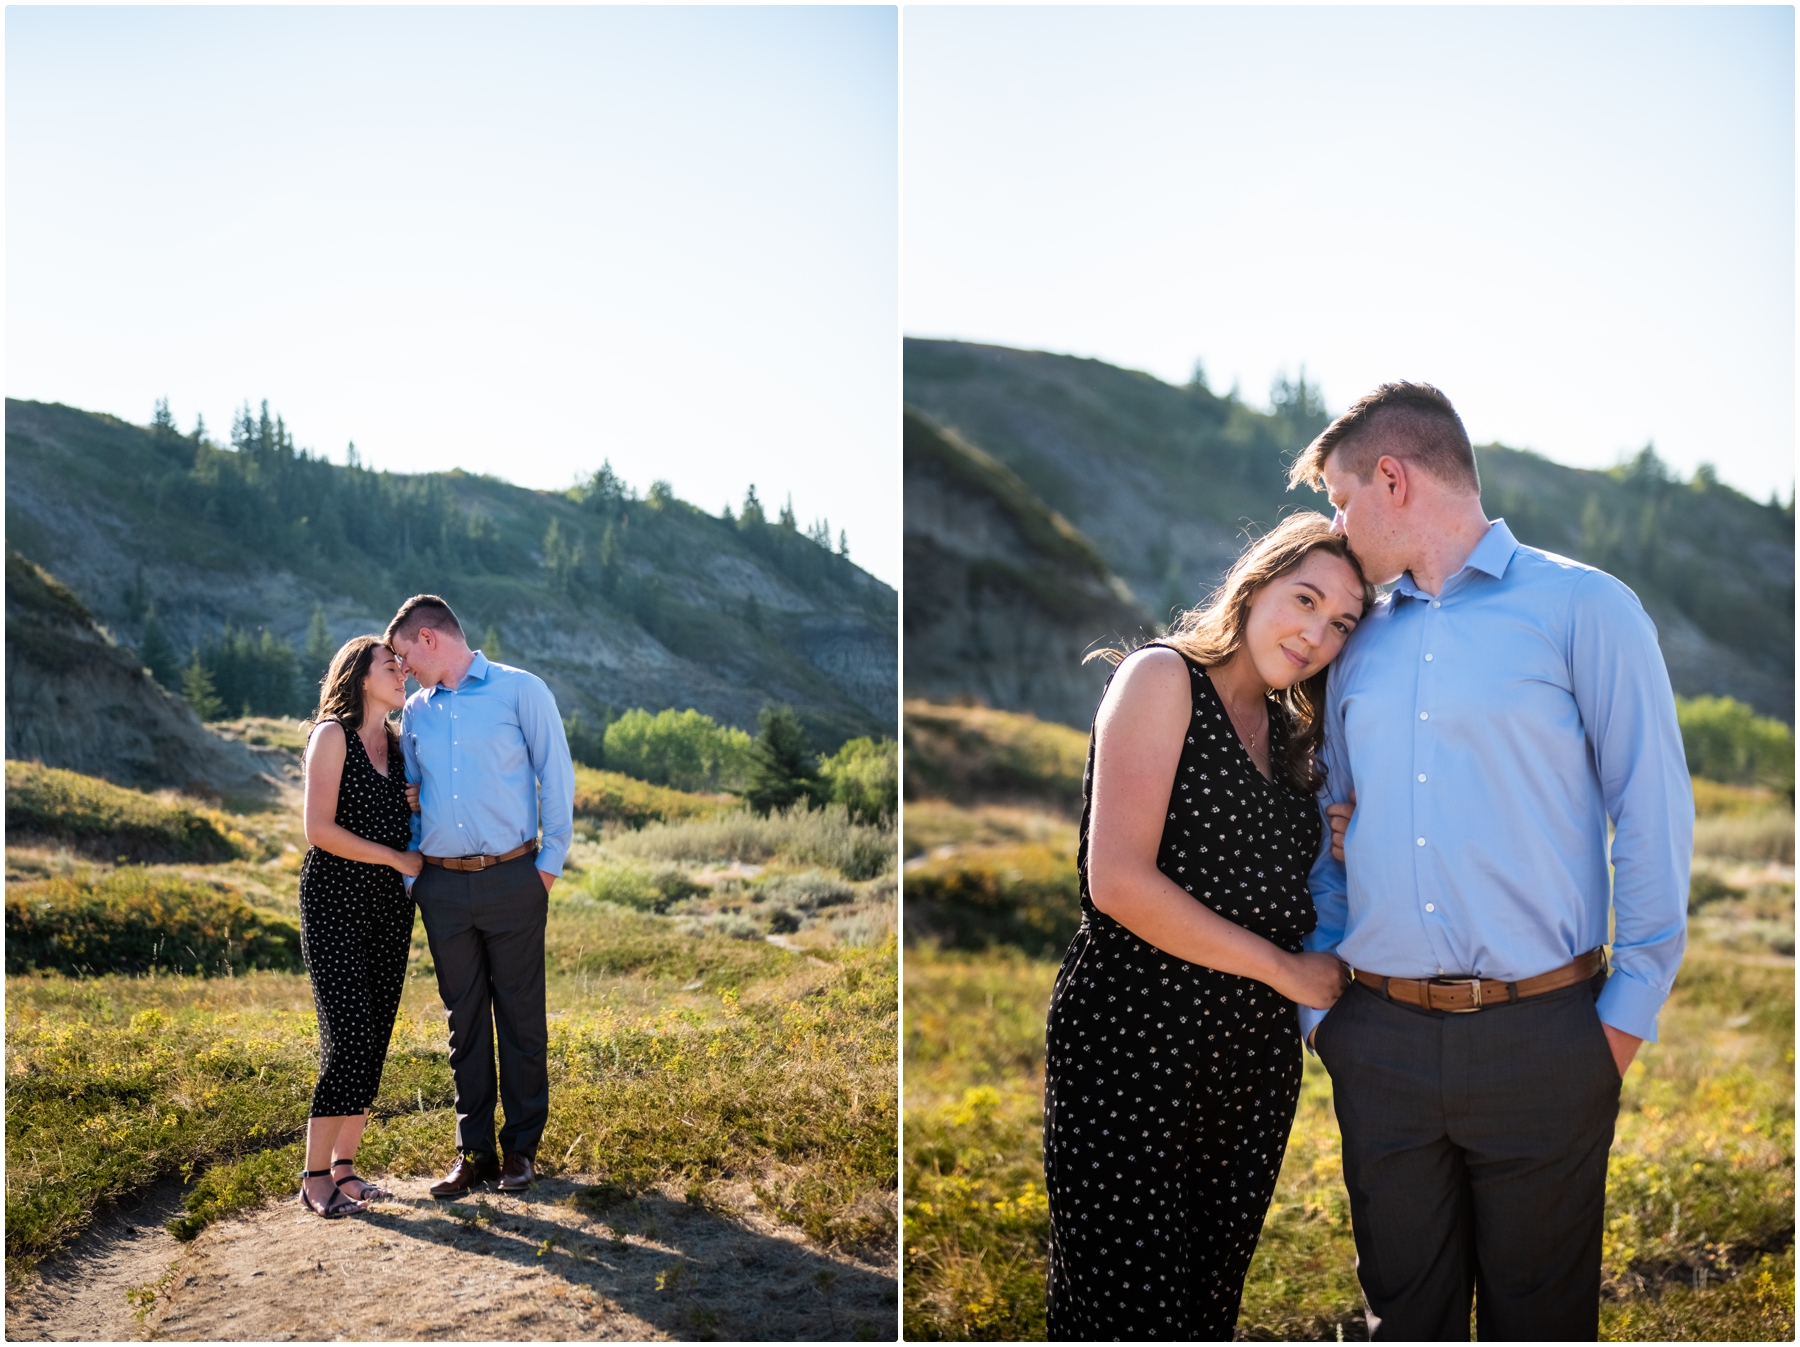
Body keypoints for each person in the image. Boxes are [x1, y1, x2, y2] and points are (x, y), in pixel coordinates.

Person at [1292, 382, 1692, 1341]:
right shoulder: (1356, 645)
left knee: (1540, 1324)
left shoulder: (1585, 607)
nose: (1337, 529)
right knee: (1405, 1320)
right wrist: (1325, 1017)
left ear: (1392, 478)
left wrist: (1620, 1023)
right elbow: (1330, 822)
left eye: (1342, 501)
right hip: (1377, 1041)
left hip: (1545, 1041)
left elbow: (1652, 811)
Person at [1042, 512, 1374, 1340]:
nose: (1315, 633)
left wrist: (1345, 840)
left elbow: (1287, 887)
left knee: (1203, 1310)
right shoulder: (1162, 679)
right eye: (1304, 599)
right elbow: (1117, 880)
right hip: (1133, 1045)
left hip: (1248, 1067)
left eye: (1341, 623)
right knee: (1128, 1313)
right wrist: (1286, 971)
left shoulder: (1298, 738)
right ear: (1255, 584)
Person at [384, 594, 575, 1198]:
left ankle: (521, 1151)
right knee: (462, 1024)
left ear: (430, 637)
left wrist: (545, 868)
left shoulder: (523, 691)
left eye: (404, 653)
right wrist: (418, 878)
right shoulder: (415, 712)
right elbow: (412, 793)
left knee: (521, 1020)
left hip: (514, 878)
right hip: (441, 887)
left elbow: (557, 775)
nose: (403, 667)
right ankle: (474, 1155)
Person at [295, 637, 422, 1218]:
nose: (401, 673)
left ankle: (346, 1169)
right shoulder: (332, 735)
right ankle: (314, 1176)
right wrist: (397, 860)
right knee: (346, 1039)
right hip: (334, 903)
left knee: (372, 1042)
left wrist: (415, 805)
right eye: (389, 666)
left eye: (402, 667)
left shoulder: (398, 749)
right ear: (359, 675)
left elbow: (407, 819)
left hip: (389, 912)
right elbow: (318, 829)